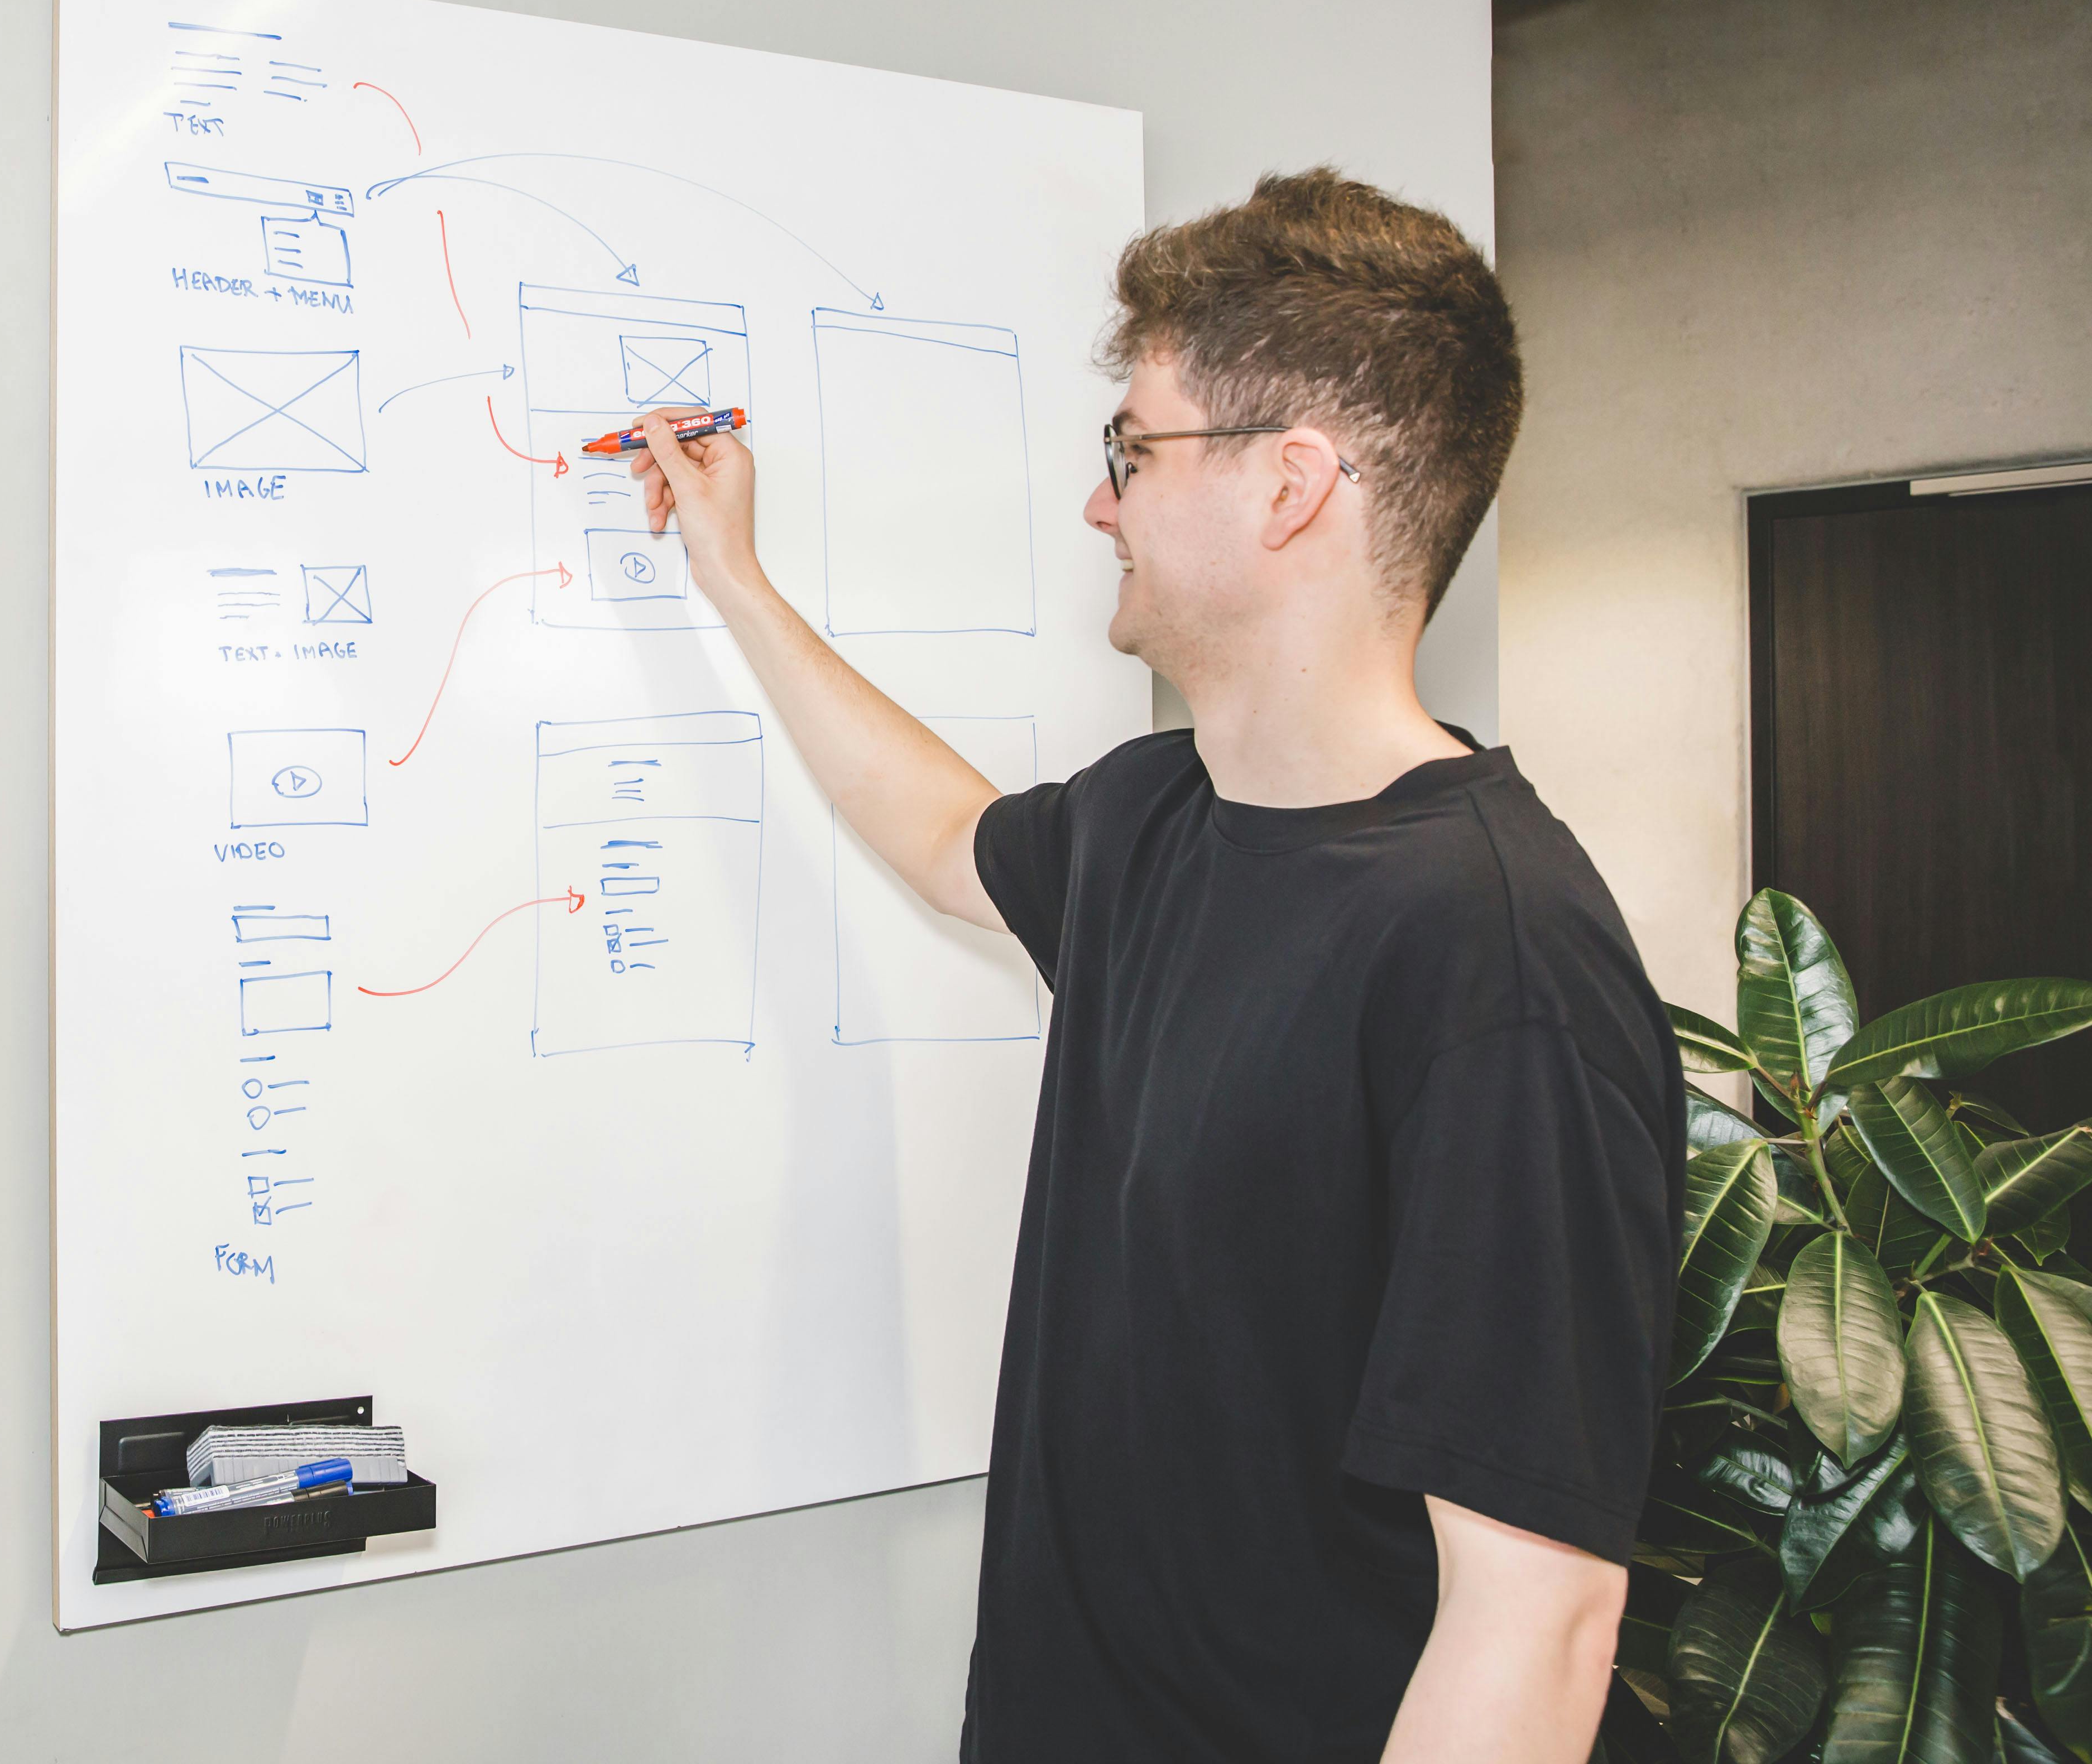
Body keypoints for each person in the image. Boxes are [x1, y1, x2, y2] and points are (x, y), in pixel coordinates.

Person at [633, 170, 1680, 1763]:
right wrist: (736, 581)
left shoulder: (1497, 962)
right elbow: (939, 829)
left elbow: (1534, 1630)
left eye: (1134, 449)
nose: (1100, 501)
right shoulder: (1154, 822)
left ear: (1291, 486)